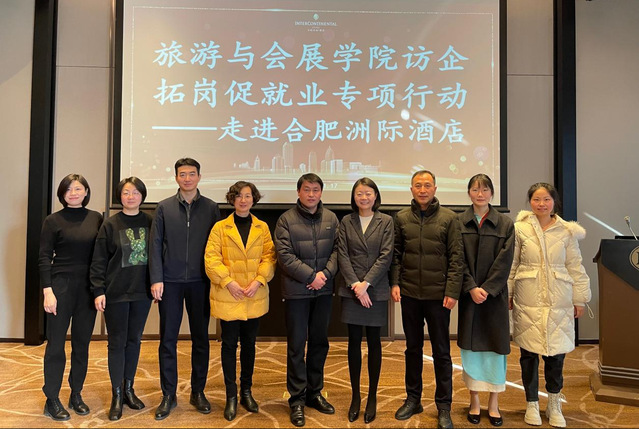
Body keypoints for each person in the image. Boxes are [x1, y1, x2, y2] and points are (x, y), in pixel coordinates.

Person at [508, 183, 591, 428]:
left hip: (559, 299)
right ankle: (532, 402)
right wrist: (509, 293)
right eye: (536, 199)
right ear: (530, 202)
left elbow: (575, 265)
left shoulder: (567, 231)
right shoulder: (520, 229)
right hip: (528, 297)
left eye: (546, 199)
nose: (541, 204)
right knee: (528, 354)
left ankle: (554, 402)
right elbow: (512, 264)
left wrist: (580, 298)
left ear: (554, 202)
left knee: (556, 354)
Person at [390, 169, 464, 429]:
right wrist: (395, 282)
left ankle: (444, 406)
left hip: (438, 296)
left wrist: (452, 291)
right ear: (411, 189)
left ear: (435, 189)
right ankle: (413, 399)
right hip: (410, 293)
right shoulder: (401, 217)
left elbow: (457, 258)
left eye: (427, 185)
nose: (423, 190)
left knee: (442, 352)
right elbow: (396, 254)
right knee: (412, 349)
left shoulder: (449, 218)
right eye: (418, 185)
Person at [149, 157, 221, 420]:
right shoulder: (164, 207)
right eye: (182, 174)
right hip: (170, 281)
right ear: (176, 177)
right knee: (167, 339)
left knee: (201, 338)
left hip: (201, 282)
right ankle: (168, 394)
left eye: (192, 174)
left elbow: (217, 246)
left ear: (199, 177)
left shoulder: (211, 208)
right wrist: (156, 278)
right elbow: (155, 244)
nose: (187, 178)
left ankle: (198, 391)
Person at [204, 181, 276, 421]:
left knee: (249, 345)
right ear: (232, 199)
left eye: (247, 196)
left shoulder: (262, 227)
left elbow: (269, 257)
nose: (243, 200)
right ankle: (231, 396)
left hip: (253, 295)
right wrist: (228, 282)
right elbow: (211, 259)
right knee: (228, 345)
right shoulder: (220, 227)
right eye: (238, 196)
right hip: (229, 295)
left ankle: (246, 391)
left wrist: (259, 280)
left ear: (254, 199)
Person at [274, 173, 339, 428]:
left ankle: (315, 392)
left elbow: (338, 251)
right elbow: (284, 255)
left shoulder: (331, 218)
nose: (311, 194)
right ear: (298, 192)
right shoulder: (286, 219)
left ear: (321, 192)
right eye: (307, 190)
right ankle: (296, 399)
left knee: (320, 343)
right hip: (296, 291)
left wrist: (324, 275)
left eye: (316, 190)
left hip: (323, 290)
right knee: (296, 345)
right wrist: (311, 276)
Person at [39, 174, 103, 421]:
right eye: (68, 189)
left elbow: (101, 256)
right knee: (56, 344)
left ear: (86, 191)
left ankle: (76, 393)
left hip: (87, 288)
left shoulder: (96, 218)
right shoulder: (52, 220)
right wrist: (48, 291)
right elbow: (44, 257)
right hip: (60, 287)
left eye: (78, 188)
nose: (73, 193)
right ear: (62, 193)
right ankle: (52, 398)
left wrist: (99, 289)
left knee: (81, 344)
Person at [90, 177, 153, 420]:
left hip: (141, 292)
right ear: (120, 196)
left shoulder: (150, 221)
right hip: (115, 293)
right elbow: (98, 261)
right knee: (117, 343)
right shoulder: (110, 224)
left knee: (134, 341)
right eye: (126, 192)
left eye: (135, 192)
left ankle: (129, 389)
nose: (131, 196)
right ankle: (116, 394)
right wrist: (98, 290)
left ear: (142, 196)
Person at [457, 174, 514, 427]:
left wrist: (488, 289)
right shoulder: (458, 222)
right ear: (469, 192)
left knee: (495, 349)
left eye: (485, 189)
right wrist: (471, 287)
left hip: (495, 297)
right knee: (470, 351)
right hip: (469, 296)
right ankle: (474, 401)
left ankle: (493, 403)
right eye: (475, 189)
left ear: (492, 193)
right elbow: (456, 258)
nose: (480, 194)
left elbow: (505, 261)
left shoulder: (505, 223)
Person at [336, 177, 394, 424]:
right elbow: (342, 255)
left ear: (376, 196)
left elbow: (386, 256)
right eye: (359, 193)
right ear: (354, 196)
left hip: (375, 290)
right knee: (353, 343)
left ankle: (372, 397)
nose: (364, 197)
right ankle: (355, 397)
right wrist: (355, 286)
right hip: (352, 291)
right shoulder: (346, 221)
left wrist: (366, 284)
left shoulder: (386, 221)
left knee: (374, 343)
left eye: (368, 193)